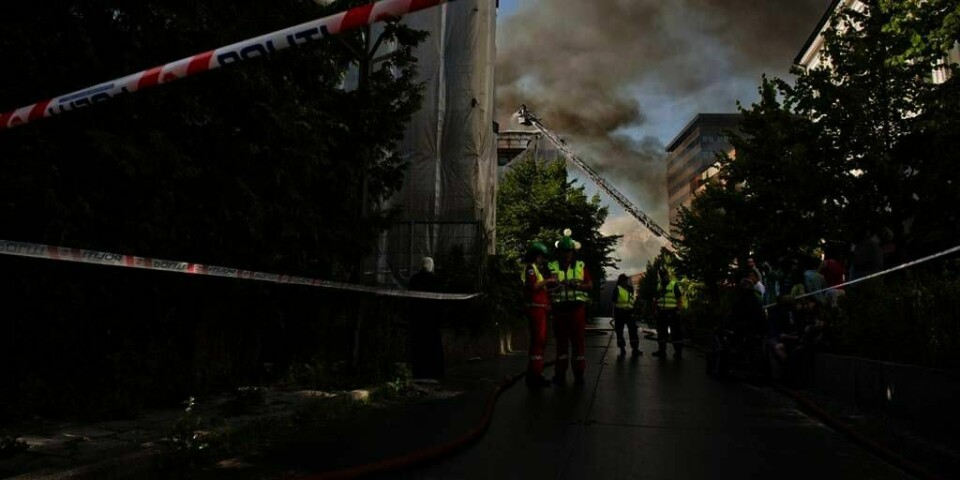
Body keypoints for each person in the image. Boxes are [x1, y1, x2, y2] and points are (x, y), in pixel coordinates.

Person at [547, 229, 593, 385]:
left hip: (576, 311)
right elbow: (546, 288)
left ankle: (579, 375)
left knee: (578, 344)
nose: (567, 254)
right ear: (559, 252)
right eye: (564, 251)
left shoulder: (580, 266)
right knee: (561, 346)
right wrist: (555, 288)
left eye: (569, 251)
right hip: (559, 311)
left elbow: (590, 285)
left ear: (573, 252)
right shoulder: (551, 267)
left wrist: (578, 286)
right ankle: (560, 375)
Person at [522, 242, 555, 388]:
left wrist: (553, 288)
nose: (542, 259)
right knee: (538, 341)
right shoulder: (530, 269)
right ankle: (534, 375)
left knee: (540, 342)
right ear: (536, 256)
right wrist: (548, 280)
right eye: (541, 256)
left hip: (540, 311)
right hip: (536, 311)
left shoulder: (536, 270)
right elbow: (534, 287)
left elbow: (541, 291)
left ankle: (535, 372)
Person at [408, 257, 444, 380]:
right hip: (432, 321)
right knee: (432, 346)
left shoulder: (414, 280)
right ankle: (433, 373)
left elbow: (410, 300)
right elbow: (440, 302)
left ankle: (418, 372)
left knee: (418, 346)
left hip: (417, 320)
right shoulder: (436, 280)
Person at [652, 270, 684, 359]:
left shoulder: (673, 284)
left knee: (676, 333)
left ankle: (678, 352)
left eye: (664, 275)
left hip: (672, 311)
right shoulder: (659, 286)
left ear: (667, 275)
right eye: (661, 275)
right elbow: (656, 299)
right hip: (662, 312)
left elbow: (679, 298)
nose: (663, 277)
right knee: (661, 332)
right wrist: (655, 310)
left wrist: (678, 310)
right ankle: (661, 350)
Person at [611, 274, 641, 357]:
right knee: (619, 331)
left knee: (633, 330)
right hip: (620, 312)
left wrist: (634, 310)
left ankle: (635, 349)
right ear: (620, 281)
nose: (625, 281)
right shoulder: (617, 289)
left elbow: (632, 300)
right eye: (624, 280)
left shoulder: (630, 288)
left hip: (629, 313)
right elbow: (613, 301)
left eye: (626, 280)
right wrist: (613, 313)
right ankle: (622, 348)